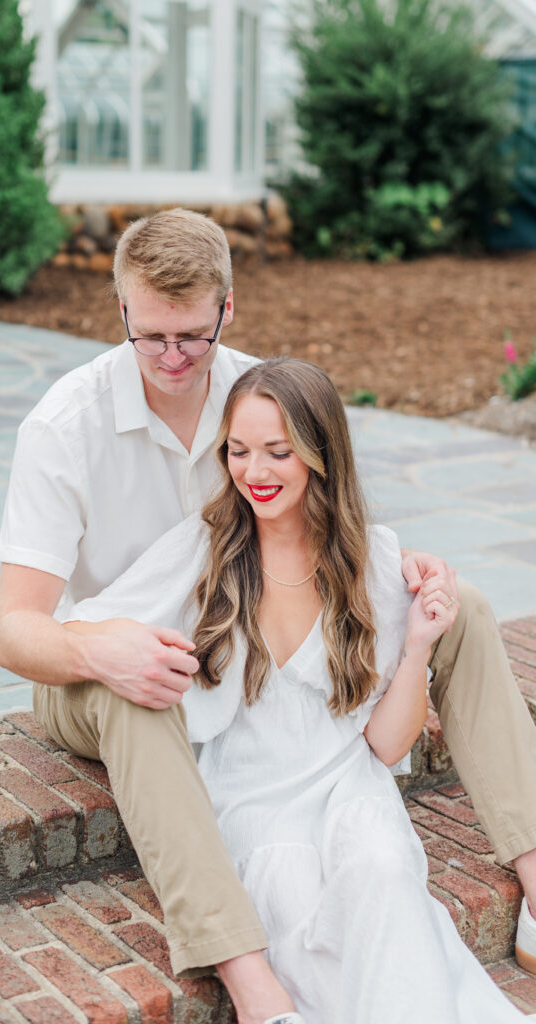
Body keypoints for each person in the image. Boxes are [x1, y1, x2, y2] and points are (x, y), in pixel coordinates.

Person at [0, 209, 536, 1009]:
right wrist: (100, 651)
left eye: (192, 335)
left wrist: (394, 567)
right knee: (142, 687)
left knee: (465, 605)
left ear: (226, 309)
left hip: (228, 646)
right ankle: (251, 980)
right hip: (86, 665)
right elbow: (14, 630)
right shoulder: (63, 428)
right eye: (150, 337)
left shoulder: (255, 395)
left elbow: (315, 507)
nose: (172, 358)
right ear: (121, 314)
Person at [63, 358, 532, 1023]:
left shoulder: (370, 561)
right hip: (253, 806)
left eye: (277, 452)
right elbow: (83, 629)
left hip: (351, 794)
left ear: (319, 454)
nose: (254, 472)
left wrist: (419, 646)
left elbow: (386, 742)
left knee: (381, 873)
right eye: (238, 451)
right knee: (291, 896)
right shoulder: (203, 551)